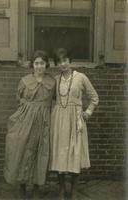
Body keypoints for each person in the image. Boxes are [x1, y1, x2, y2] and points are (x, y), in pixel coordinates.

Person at [4, 50, 55, 199]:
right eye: (36, 63)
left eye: (42, 63)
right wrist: (29, 109)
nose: (39, 66)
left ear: (46, 65)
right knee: (22, 151)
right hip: (26, 121)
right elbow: (18, 98)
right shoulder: (25, 81)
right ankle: (21, 186)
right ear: (32, 65)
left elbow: (55, 101)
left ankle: (38, 187)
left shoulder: (52, 82)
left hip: (44, 122)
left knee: (41, 152)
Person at [49, 48, 99, 199]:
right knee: (59, 153)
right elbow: (51, 99)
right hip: (59, 120)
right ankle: (62, 189)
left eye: (65, 60)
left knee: (75, 152)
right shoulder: (55, 80)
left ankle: (74, 189)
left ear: (70, 61)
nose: (63, 64)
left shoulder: (81, 77)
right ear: (57, 64)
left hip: (75, 120)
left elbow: (94, 97)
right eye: (59, 61)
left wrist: (87, 112)